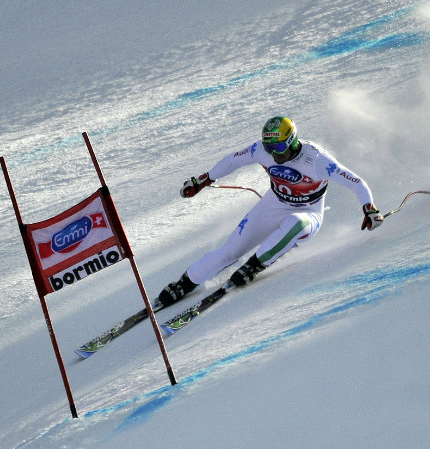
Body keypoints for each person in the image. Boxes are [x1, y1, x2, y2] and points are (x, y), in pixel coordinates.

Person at [154, 116, 383, 308]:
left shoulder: (316, 160)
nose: (274, 154)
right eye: (269, 148)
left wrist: (369, 208)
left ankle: (255, 265)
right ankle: (185, 282)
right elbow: (233, 160)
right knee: (229, 251)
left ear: (292, 142)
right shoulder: (261, 150)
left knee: (295, 224)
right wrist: (205, 179)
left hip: (308, 212)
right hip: (273, 204)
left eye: (279, 147)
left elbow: (356, 182)